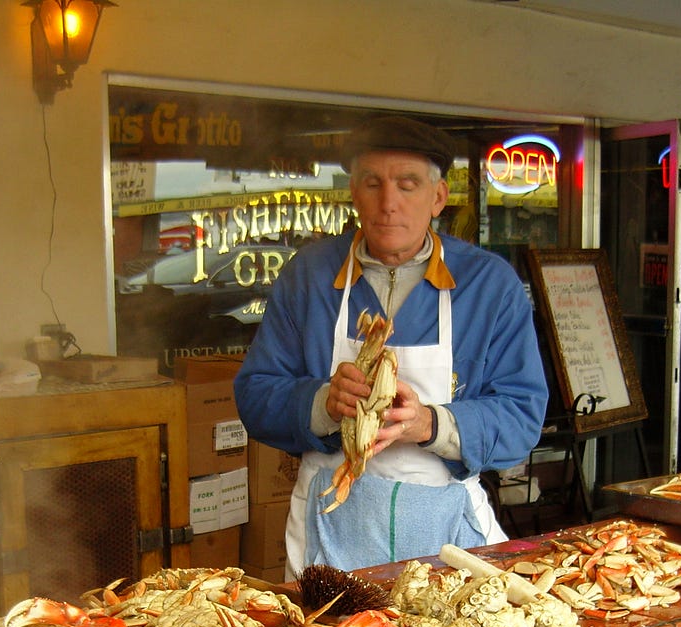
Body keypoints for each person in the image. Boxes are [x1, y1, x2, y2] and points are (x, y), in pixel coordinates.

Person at [233, 115, 547, 578]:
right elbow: (256, 394)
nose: (388, 203)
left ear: (438, 197)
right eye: (372, 183)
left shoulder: (488, 284)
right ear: (354, 193)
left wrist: (429, 423)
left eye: (408, 184)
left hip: (447, 539)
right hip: (330, 532)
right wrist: (323, 404)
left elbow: (522, 415)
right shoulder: (310, 275)